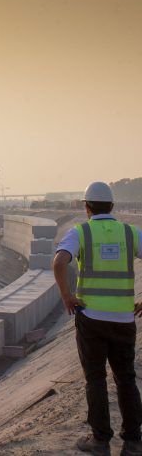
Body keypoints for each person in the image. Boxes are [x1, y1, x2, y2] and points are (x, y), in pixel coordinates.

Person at [53, 181, 142, 456]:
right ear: (113, 206)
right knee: (126, 378)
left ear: (87, 207)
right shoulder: (131, 233)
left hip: (91, 318)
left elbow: (58, 262)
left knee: (96, 378)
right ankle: (133, 442)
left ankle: (101, 441)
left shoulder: (80, 232)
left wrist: (67, 296)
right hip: (124, 318)